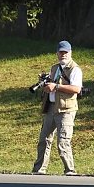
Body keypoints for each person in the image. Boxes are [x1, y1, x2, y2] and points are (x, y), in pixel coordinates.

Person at [32, 40, 83, 176]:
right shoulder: (54, 68)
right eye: (61, 52)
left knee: (63, 141)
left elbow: (76, 89)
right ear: (57, 53)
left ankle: (70, 169)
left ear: (70, 53)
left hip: (66, 109)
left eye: (65, 52)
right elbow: (51, 85)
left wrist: (56, 87)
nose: (63, 55)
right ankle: (39, 169)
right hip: (51, 108)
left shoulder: (75, 69)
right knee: (44, 139)